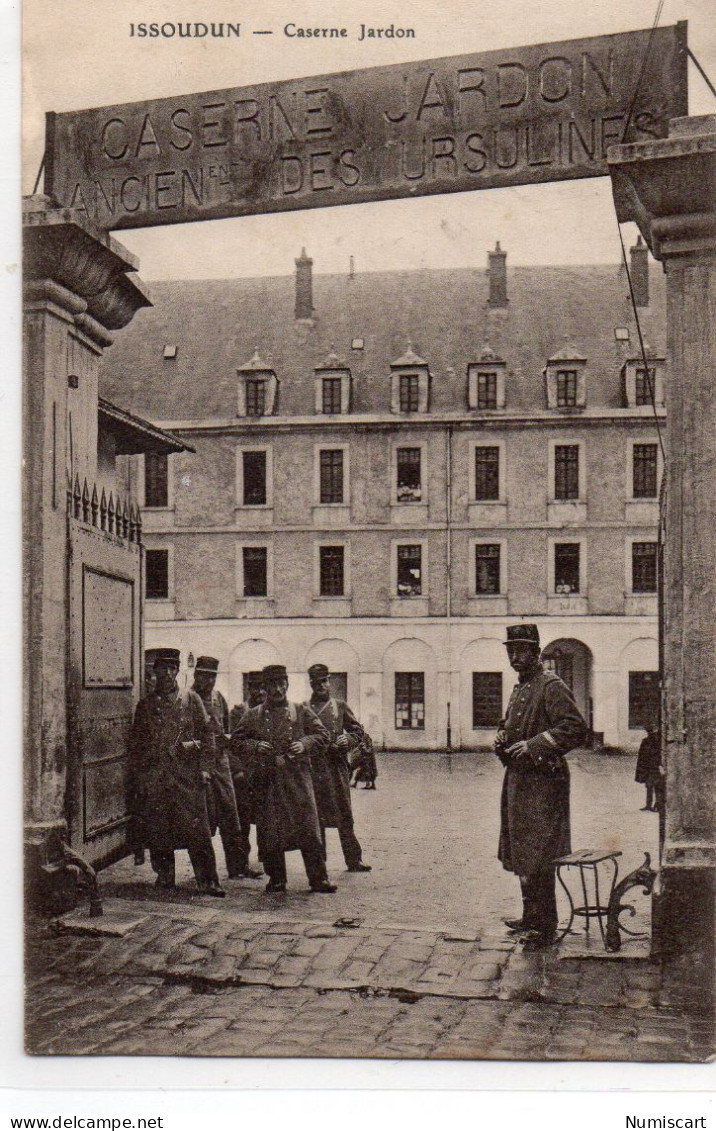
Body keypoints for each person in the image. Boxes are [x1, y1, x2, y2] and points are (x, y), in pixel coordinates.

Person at [495, 625, 587, 951]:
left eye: (521, 651)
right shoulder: (520, 688)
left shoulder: (551, 685)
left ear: (536, 652)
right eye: (510, 651)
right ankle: (530, 916)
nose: (515, 657)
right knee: (522, 850)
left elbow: (575, 727)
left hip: (545, 783)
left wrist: (535, 745)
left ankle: (545, 924)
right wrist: (502, 738)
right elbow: (511, 725)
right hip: (520, 780)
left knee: (539, 852)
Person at [232, 664, 337, 894]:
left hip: (298, 781)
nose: (277, 689)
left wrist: (304, 744)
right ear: (265, 688)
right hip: (268, 783)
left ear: (287, 684)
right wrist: (256, 745)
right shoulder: (254, 715)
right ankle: (276, 879)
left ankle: (318, 878)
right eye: (272, 685)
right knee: (271, 832)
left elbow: (323, 735)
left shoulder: (299, 711)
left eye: (281, 684)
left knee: (309, 830)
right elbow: (236, 742)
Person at [128, 648, 225, 897]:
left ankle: (208, 881)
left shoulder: (191, 700)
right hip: (158, 777)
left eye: (172, 668)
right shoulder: (146, 706)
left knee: (198, 832)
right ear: (155, 672)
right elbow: (137, 746)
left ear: (177, 671)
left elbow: (208, 737)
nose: (167, 674)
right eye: (162, 669)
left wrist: (205, 769)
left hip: (187, 778)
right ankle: (165, 876)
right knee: (160, 830)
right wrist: (143, 777)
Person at [191, 657, 262, 879]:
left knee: (231, 815)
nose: (209, 680)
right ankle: (204, 873)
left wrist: (235, 767)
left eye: (212, 676)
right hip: (196, 765)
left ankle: (238, 866)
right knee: (200, 819)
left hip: (221, 763)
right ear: (196, 675)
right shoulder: (187, 700)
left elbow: (231, 736)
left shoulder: (218, 698)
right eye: (204, 675)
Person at [305, 664, 371, 872]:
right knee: (316, 815)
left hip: (336, 768)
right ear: (311, 685)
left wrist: (348, 739)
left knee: (344, 812)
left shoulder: (339, 706)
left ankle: (354, 859)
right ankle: (319, 862)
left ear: (329, 682)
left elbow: (358, 731)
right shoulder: (304, 709)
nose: (321, 686)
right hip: (314, 768)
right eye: (317, 683)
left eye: (324, 681)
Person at [227, 671, 267, 875]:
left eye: (262, 687)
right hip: (244, 776)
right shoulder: (238, 712)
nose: (259, 692)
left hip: (264, 774)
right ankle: (240, 863)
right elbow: (231, 743)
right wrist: (237, 771)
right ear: (248, 688)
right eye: (255, 687)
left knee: (265, 817)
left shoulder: (267, 713)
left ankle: (266, 857)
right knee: (242, 821)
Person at [635, 720, 662, 811]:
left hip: (655, 766)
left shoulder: (656, 741)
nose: (650, 733)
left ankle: (655, 805)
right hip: (651, 767)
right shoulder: (647, 741)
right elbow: (642, 756)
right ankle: (651, 805)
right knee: (651, 786)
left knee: (655, 786)